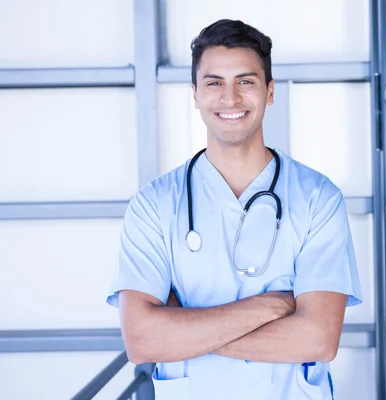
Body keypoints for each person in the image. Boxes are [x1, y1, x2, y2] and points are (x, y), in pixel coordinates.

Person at [106, 19, 362, 399]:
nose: (230, 98)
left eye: (245, 81)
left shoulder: (317, 198)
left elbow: (319, 339)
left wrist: (181, 329)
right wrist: (271, 306)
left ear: (269, 91)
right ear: (194, 94)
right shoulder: (154, 204)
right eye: (214, 83)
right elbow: (142, 341)